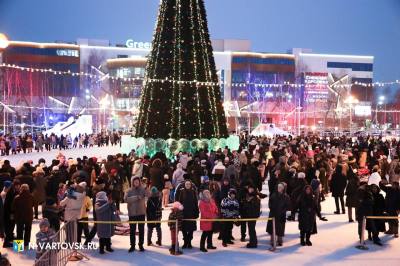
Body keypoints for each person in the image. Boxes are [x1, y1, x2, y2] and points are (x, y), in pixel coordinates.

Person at [125, 176, 148, 253]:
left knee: (141, 230)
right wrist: (136, 197)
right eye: (135, 182)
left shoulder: (142, 189)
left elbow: (149, 195)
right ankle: (132, 245)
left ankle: (141, 245)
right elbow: (126, 199)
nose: (136, 183)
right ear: (132, 182)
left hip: (141, 213)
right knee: (132, 231)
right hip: (132, 213)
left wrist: (146, 188)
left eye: (138, 182)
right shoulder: (128, 191)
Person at [177, 180, 199, 249]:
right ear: (184, 185)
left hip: (192, 213)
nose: (188, 185)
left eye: (189, 184)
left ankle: (189, 242)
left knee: (191, 229)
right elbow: (180, 202)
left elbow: (196, 202)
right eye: (186, 184)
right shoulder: (182, 192)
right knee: (184, 229)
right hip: (184, 213)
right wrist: (179, 211)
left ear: (191, 185)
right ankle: (185, 241)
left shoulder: (193, 192)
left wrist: (196, 212)